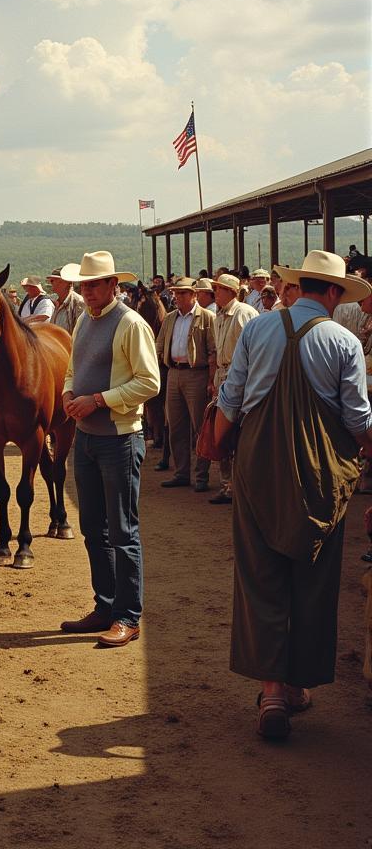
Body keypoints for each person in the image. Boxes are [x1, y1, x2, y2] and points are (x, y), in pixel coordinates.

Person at [215, 250, 372, 740]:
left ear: (297, 285)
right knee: (313, 576)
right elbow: (357, 421)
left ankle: (272, 692)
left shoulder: (258, 329)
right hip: (321, 472)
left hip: (259, 465)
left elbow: (231, 400)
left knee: (260, 575)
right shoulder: (343, 341)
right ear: (331, 292)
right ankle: (299, 684)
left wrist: (216, 451)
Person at [59, 251, 160, 648]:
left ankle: (127, 616)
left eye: (95, 284)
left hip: (119, 437)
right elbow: (73, 367)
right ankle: (105, 606)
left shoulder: (130, 324)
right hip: (86, 437)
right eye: (84, 284)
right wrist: (70, 391)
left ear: (112, 285)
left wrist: (98, 400)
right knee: (93, 529)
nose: (87, 290)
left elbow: (149, 383)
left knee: (122, 530)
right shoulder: (85, 320)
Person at [154, 278, 216, 493]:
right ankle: (181, 473)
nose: (177, 297)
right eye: (176, 293)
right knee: (176, 427)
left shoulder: (207, 318)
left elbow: (212, 351)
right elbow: (160, 344)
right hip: (174, 373)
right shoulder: (170, 318)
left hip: (196, 374)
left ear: (194, 295)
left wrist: (210, 379)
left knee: (200, 426)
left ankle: (201, 475)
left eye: (182, 293)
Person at [209, 273, 259, 506]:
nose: (215, 292)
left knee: (238, 432)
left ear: (231, 291)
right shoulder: (220, 315)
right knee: (222, 434)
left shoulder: (244, 313)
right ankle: (227, 485)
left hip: (239, 378)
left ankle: (241, 487)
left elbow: (254, 352)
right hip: (224, 375)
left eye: (219, 288)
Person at [48, 267, 85, 335]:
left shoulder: (79, 302)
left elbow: (80, 333)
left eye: (52, 280)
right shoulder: (57, 303)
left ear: (64, 282)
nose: (51, 283)